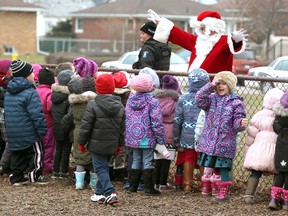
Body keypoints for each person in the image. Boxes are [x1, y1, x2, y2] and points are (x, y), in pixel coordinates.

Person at [195, 71, 247, 202]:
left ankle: (224, 193)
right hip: (210, 141)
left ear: (230, 85)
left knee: (223, 167)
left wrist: (240, 124)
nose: (220, 86)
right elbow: (198, 99)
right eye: (218, 84)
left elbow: (237, 121)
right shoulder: (211, 99)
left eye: (224, 83)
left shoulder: (236, 103)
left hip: (225, 142)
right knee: (211, 165)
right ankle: (211, 188)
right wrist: (210, 85)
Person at [147, 9, 247, 74]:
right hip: (194, 86)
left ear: (214, 27)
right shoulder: (197, 41)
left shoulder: (223, 40)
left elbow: (231, 45)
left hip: (216, 87)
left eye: (204, 28)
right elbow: (178, 35)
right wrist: (160, 23)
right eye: (201, 28)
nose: (202, 31)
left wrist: (236, 40)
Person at [78, 74, 125, 205]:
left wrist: (81, 142)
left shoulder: (93, 104)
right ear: (113, 87)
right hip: (112, 144)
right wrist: (119, 145)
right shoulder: (120, 106)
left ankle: (110, 192)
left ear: (97, 89)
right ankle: (100, 194)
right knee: (103, 167)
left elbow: (85, 126)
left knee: (100, 169)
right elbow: (122, 129)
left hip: (96, 144)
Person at [4, 59, 48, 186]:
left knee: (18, 153)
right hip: (29, 131)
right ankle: (35, 175)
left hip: (13, 130)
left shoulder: (9, 92)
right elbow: (36, 114)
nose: (34, 75)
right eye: (32, 73)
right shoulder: (30, 92)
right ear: (26, 75)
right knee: (37, 152)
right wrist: (42, 130)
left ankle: (16, 177)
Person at [125, 73, 165, 196]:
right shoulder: (152, 101)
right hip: (147, 136)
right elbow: (156, 121)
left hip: (133, 136)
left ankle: (132, 186)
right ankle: (149, 188)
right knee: (148, 161)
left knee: (136, 160)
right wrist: (160, 139)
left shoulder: (131, 99)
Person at [243, 88, 284, 204]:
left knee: (255, 172)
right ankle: (275, 197)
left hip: (258, 150)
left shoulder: (259, 115)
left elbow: (251, 134)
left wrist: (248, 148)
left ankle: (248, 195)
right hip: (275, 150)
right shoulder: (281, 117)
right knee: (277, 173)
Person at [173, 68, 210, 193]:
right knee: (202, 158)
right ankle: (203, 184)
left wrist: (176, 138)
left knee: (188, 157)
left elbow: (177, 120)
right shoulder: (209, 98)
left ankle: (187, 185)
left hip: (187, 134)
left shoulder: (183, 98)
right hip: (203, 134)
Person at [67, 76, 97, 190]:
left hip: (78, 131)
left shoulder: (76, 102)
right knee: (94, 158)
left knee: (80, 158)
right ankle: (93, 183)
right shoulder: (95, 102)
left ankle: (79, 184)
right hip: (93, 132)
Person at [153, 75, 181, 192]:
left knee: (158, 159)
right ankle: (163, 184)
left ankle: (155, 182)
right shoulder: (176, 101)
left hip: (158, 131)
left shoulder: (156, 99)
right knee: (167, 159)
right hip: (170, 131)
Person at [132, 21, 171, 86]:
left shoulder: (148, 48)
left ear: (151, 34)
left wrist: (135, 66)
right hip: (163, 83)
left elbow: (146, 68)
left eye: (143, 33)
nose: (140, 36)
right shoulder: (164, 46)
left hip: (151, 85)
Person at [51, 70, 74, 179]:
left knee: (58, 149)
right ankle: (63, 171)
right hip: (66, 127)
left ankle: (55, 171)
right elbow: (69, 115)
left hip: (56, 126)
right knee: (66, 149)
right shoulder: (68, 98)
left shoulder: (54, 95)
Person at [268, 90, 288, 210]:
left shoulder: (279, 115)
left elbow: (276, 128)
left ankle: (274, 199)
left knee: (281, 172)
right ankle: (286, 203)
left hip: (281, 147)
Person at [36, 68, 56, 174]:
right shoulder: (49, 93)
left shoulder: (35, 91)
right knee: (48, 146)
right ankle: (47, 167)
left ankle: (37, 165)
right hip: (48, 123)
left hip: (36, 124)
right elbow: (50, 107)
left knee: (38, 146)